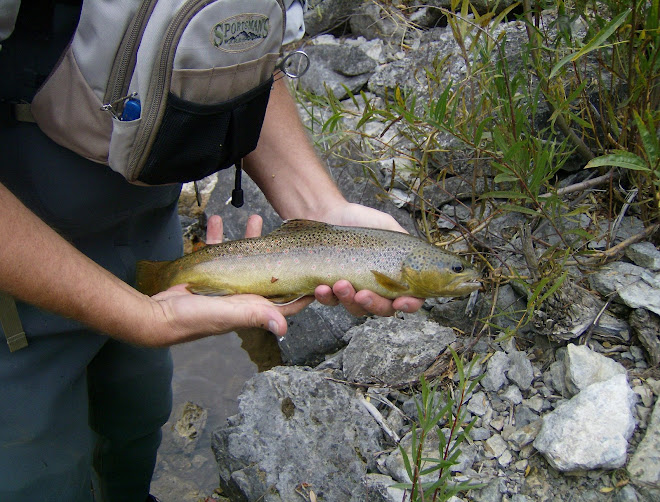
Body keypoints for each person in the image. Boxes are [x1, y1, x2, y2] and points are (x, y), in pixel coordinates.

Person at [0, 0, 424, 500]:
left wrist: (322, 206)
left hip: (147, 227)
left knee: (138, 416)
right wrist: (142, 319)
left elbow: (244, 63)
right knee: (39, 470)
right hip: (19, 259)